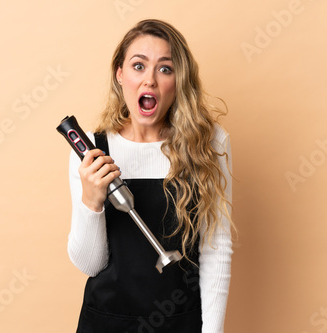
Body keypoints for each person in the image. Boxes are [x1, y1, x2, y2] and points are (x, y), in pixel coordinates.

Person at [67, 19, 234, 333]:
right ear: (120, 74)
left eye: (165, 69)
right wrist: (92, 200)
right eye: (138, 66)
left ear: (178, 79)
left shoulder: (208, 143)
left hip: (179, 322)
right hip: (106, 322)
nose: (150, 81)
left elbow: (216, 248)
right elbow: (90, 265)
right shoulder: (91, 151)